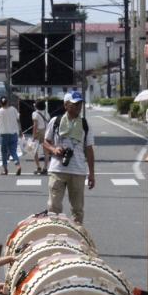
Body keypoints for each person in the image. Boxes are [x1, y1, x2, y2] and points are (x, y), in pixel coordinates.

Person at [43, 91, 95, 224]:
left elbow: (89, 150)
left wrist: (91, 174)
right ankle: (54, 234)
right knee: (54, 207)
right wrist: (54, 149)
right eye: (75, 104)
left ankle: (76, 238)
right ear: (66, 105)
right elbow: (45, 142)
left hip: (78, 171)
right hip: (57, 169)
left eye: (80, 104)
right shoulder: (56, 121)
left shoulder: (84, 124)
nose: (78, 107)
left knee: (77, 209)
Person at [0, 96, 21, 175]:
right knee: (13, 151)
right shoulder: (13, 109)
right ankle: (18, 165)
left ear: (0, 103)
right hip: (13, 133)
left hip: (3, 134)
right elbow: (18, 119)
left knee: (4, 152)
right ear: (7, 102)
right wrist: (20, 131)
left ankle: (5, 169)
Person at [31, 99, 50, 175]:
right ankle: (45, 168)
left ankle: (38, 167)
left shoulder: (35, 114)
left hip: (38, 132)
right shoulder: (47, 113)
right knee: (46, 152)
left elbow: (35, 125)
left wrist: (33, 135)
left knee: (34, 150)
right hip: (46, 132)